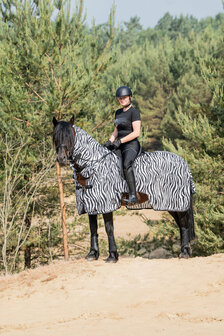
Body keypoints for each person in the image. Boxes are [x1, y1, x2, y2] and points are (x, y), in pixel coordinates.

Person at [104, 86, 141, 204]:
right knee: (109, 162)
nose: (122, 100)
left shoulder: (134, 112)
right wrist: (109, 141)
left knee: (126, 164)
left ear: (130, 97)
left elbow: (136, 132)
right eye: (120, 98)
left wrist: (120, 141)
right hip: (118, 144)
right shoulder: (118, 113)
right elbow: (116, 131)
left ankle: (133, 195)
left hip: (131, 144)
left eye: (124, 98)